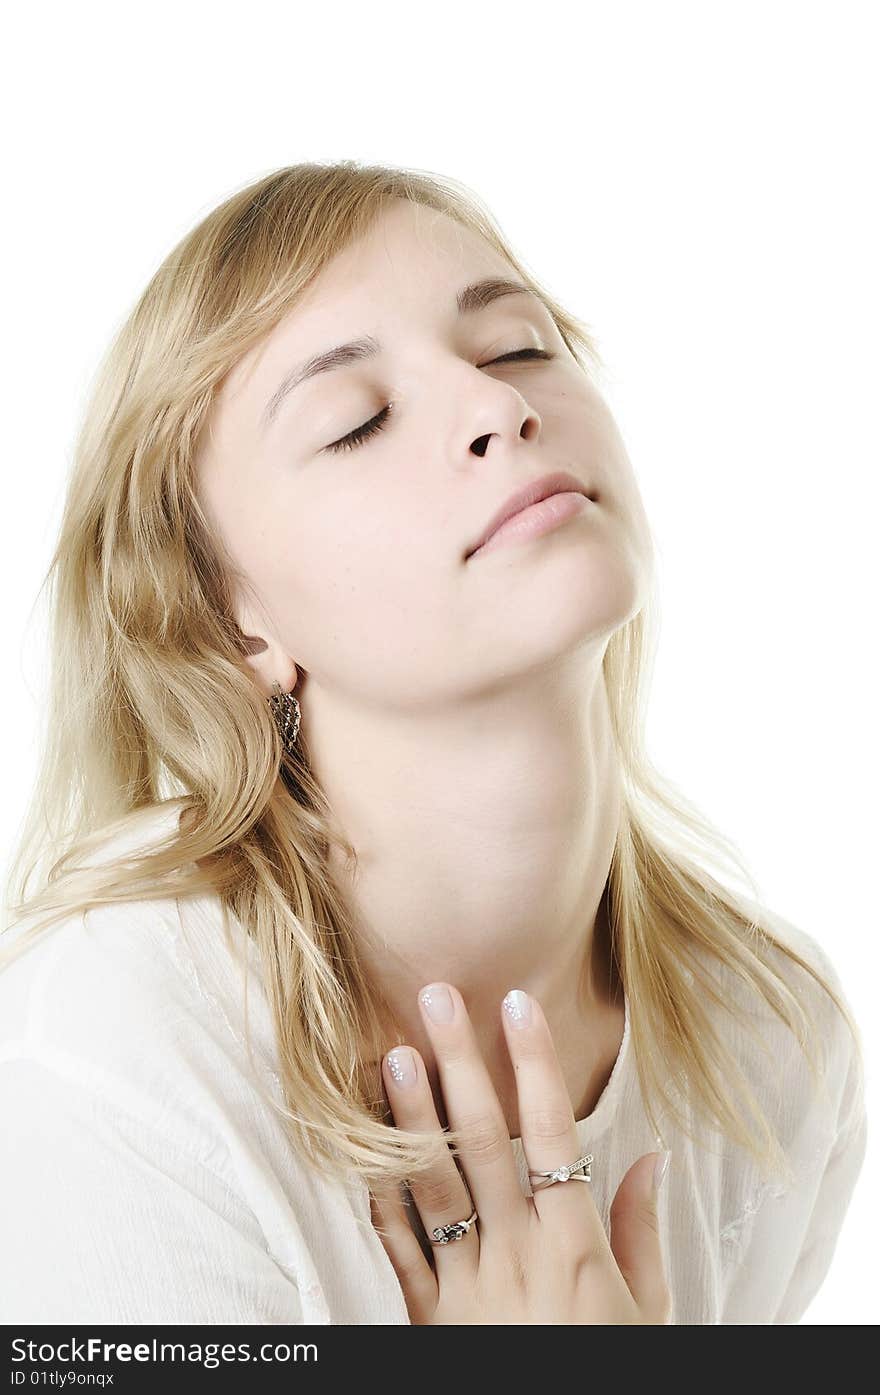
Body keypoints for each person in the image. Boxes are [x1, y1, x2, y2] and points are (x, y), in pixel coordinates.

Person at [0, 161, 866, 1325]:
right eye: (355, 422)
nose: (497, 408)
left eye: (518, 347)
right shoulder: (114, 1048)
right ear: (224, 618)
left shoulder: (773, 1038)